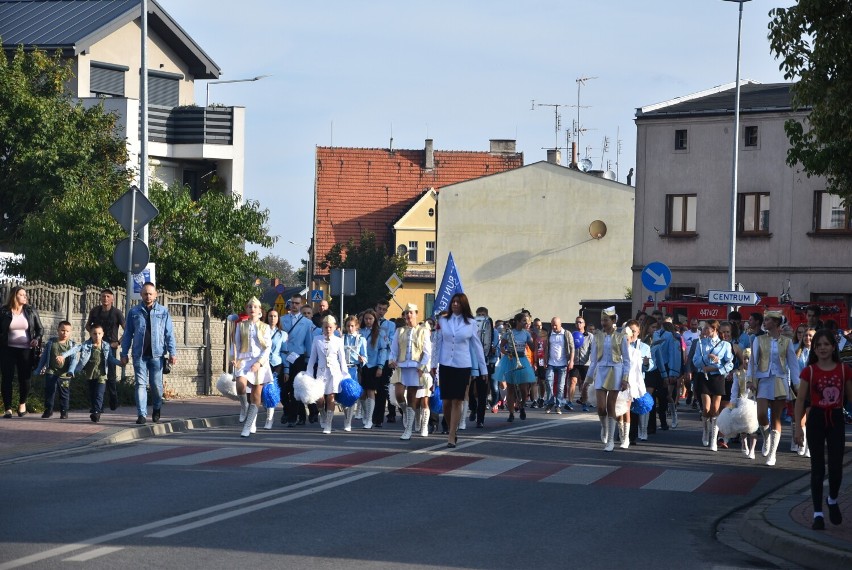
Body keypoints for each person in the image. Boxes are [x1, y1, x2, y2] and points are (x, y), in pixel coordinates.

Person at [794, 329, 852, 530]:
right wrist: (797, 428)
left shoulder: (844, 370)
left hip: (835, 418)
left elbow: (851, 398)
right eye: (819, 345)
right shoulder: (809, 371)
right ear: (814, 349)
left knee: (836, 468)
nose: (822, 348)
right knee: (818, 468)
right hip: (816, 419)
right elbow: (800, 400)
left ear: (833, 347)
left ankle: (833, 499)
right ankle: (817, 513)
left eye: (826, 344)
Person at [432, 294, 487, 448]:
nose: (455, 304)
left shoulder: (471, 323)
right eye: (453, 302)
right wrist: (433, 365)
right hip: (445, 364)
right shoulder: (443, 321)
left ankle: (451, 435)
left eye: (458, 302)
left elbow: (477, 347)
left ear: (463, 305)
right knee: (447, 402)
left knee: (458, 400)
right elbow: (437, 343)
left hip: (462, 365)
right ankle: (452, 428)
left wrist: (483, 370)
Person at [747, 310, 801, 466]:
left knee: (776, 418)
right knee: (761, 415)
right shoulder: (759, 340)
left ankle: (772, 454)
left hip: (780, 380)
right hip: (763, 380)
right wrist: (750, 379)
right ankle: (766, 438)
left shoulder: (787, 341)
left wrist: (796, 384)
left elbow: (793, 365)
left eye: (768, 319)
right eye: (765, 319)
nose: (765, 322)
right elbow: (752, 361)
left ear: (777, 323)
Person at [120, 282, 177, 425]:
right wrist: (124, 353)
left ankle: (157, 408)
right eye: (145, 293)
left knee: (156, 386)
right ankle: (141, 414)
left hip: (157, 356)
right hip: (139, 355)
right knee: (140, 384)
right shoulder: (134, 312)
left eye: (150, 293)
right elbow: (127, 334)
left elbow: (169, 333)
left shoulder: (163, 312)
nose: (148, 296)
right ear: (141, 295)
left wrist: (172, 352)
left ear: (156, 294)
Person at [586, 307, 632, 452]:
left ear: (613, 321)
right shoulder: (597, 336)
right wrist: (587, 379)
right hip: (601, 371)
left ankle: (611, 440)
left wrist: (625, 379)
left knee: (611, 405)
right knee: (601, 407)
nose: (603, 323)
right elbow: (593, 360)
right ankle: (604, 428)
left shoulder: (621, 337)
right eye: (602, 320)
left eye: (606, 320)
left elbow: (626, 361)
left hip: (615, 371)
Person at [231, 297, 273, 437]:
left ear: (260, 310)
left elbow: (268, 348)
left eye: (255, 307)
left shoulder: (265, 327)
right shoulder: (241, 325)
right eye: (249, 307)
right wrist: (234, 358)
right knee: (240, 386)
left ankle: (248, 426)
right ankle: (244, 407)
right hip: (244, 360)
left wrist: (259, 362)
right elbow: (235, 344)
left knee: (256, 394)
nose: (252, 309)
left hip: (259, 361)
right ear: (246, 309)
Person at [390, 304, 433, 440]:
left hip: (416, 368)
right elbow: (394, 349)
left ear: (416, 314)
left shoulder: (423, 331)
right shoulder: (399, 331)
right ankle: (405, 412)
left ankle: (408, 429)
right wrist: (391, 359)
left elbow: (427, 352)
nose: (409, 316)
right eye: (406, 313)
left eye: (411, 313)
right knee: (398, 394)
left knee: (413, 398)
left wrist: (421, 367)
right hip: (402, 366)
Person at [66, 325, 124, 423]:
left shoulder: (106, 346)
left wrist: (119, 363)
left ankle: (97, 412)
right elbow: (75, 349)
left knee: (99, 393)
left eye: (99, 333)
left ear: (103, 334)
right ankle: (95, 408)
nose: (97, 336)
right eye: (94, 334)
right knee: (92, 394)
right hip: (90, 374)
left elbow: (110, 358)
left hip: (101, 374)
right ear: (91, 334)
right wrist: (64, 356)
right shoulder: (87, 345)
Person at [1, 286, 44, 418]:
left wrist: (36, 339)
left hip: (26, 350)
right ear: (15, 296)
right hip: (7, 349)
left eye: (25, 294)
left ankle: (22, 404)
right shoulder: (4, 311)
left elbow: (40, 329)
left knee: (25, 378)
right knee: (7, 378)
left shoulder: (30, 311)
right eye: (22, 294)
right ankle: (8, 408)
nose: (25, 297)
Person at [692, 320, 734, 452]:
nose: (704, 331)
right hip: (703, 377)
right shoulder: (700, 343)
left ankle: (713, 440)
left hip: (717, 377)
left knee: (716, 409)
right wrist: (706, 358)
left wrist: (719, 367)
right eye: (704, 328)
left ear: (714, 329)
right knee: (706, 408)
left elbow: (730, 363)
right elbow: (695, 361)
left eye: (707, 328)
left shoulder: (725, 345)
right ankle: (705, 430)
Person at [307, 315, 348, 434]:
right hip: (321, 373)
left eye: (330, 327)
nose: (328, 329)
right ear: (322, 328)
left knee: (331, 397)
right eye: (326, 327)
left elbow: (342, 359)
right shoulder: (317, 339)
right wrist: (309, 373)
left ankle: (328, 424)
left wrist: (345, 375)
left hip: (334, 373)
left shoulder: (339, 341)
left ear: (335, 327)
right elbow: (312, 358)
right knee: (319, 399)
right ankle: (323, 415)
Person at [85, 288, 125, 411]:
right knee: (96, 374)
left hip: (110, 347)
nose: (105, 299)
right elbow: (88, 325)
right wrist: (94, 335)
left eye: (108, 296)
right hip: (96, 346)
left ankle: (113, 400)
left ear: (112, 299)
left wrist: (118, 342)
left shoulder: (117, 313)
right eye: (103, 296)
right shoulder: (95, 311)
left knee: (111, 376)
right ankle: (98, 406)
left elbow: (127, 329)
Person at [493, 313, 536, 423]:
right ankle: (511, 413)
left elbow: (533, 348)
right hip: (511, 359)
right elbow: (502, 346)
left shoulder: (526, 334)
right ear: (517, 321)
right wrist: (506, 352)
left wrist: (533, 339)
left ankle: (521, 406)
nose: (526, 323)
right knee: (511, 388)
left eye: (526, 321)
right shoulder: (509, 333)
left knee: (523, 387)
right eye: (523, 321)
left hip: (522, 359)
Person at [280, 294, 314, 427]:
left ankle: (293, 417)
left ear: (301, 304)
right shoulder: (282, 320)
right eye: (293, 303)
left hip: (298, 357)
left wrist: (309, 361)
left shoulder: (307, 323)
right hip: (284, 355)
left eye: (297, 303)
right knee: (282, 387)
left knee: (295, 388)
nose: (294, 306)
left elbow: (309, 343)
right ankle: (287, 410)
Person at [36, 320, 77, 419]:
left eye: (67, 331)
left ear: (70, 332)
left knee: (64, 393)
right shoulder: (51, 342)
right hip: (51, 371)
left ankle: (64, 411)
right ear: (58, 330)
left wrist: (71, 371)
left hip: (65, 374)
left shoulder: (71, 345)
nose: (65, 333)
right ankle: (48, 410)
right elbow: (44, 357)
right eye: (62, 330)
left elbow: (73, 360)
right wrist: (39, 368)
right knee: (49, 391)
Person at [358, 309, 388, 429]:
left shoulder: (380, 332)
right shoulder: (360, 332)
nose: (368, 321)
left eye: (370, 319)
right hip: (362, 365)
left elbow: (383, 350)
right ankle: (366, 414)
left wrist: (380, 366)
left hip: (373, 364)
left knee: (371, 390)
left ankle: (370, 419)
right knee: (362, 393)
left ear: (374, 320)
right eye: (366, 319)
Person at [373, 299, 396, 428]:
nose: (381, 311)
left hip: (385, 360)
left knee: (382, 390)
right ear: (375, 308)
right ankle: (370, 415)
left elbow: (392, 343)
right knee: (370, 390)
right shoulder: (369, 321)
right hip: (371, 359)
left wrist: (385, 337)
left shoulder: (390, 325)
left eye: (384, 309)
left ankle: (379, 418)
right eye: (379, 308)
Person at [792, 327, 815, 456]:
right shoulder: (798, 352)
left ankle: (809, 446)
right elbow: (794, 370)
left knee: (810, 416)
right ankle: (803, 442)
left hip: (813, 388)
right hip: (800, 387)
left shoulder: (817, 353)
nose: (807, 338)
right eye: (805, 335)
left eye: (810, 336)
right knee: (799, 418)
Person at [544, 317, 574, 414]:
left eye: (555, 325)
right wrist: (545, 360)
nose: (554, 327)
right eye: (552, 325)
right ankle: (550, 402)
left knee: (561, 386)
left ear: (560, 324)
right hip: (551, 363)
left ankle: (558, 405)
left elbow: (572, 348)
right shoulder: (549, 334)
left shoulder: (566, 334)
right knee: (548, 382)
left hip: (563, 363)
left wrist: (571, 361)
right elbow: (546, 348)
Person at [342, 315, 367, 432]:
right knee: (343, 395)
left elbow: (365, 357)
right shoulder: (342, 338)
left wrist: (362, 359)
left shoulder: (361, 339)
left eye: (352, 326)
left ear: (356, 326)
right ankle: (347, 418)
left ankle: (351, 420)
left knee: (353, 395)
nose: (350, 328)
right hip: (343, 369)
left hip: (354, 369)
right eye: (348, 326)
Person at [263, 309, 287, 430]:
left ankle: (269, 419)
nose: (272, 318)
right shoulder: (262, 331)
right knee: (262, 391)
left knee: (271, 390)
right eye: (270, 316)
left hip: (277, 364)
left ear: (278, 318)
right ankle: (266, 410)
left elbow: (284, 353)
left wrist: (286, 370)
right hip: (263, 363)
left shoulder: (283, 334)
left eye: (275, 316)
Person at [572, 316, 593, 412]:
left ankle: (584, 402)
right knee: (572, 381)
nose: (578, 324)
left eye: (580, 322)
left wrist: (592, 360)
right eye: (577, 322)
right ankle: (569, 402)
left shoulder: (589, 336)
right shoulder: (572, 335)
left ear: (584, 324)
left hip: (586, 363)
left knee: (585, 384)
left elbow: (592, 349)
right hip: (575, 362)